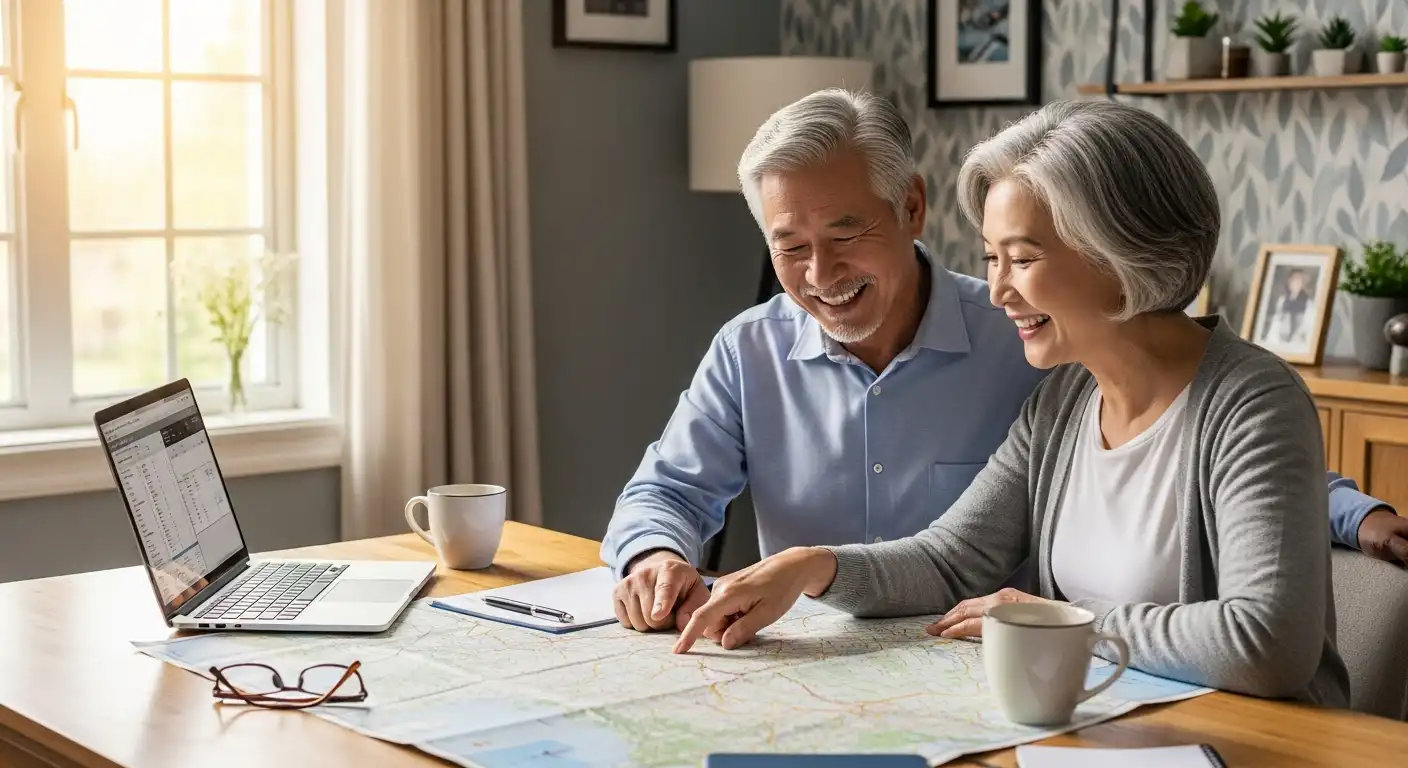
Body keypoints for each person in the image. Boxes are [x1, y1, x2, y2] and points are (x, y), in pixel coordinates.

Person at [601, 88, 1401, 636]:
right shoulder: (753, 349)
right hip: (948, 680)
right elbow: (951, 554)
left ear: (910, 207)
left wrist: (1349, 510)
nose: (820, 274)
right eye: (790, 247)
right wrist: (684, 558)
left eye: (844, 235)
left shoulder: (1042, 347)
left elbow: (1216, 442)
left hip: (1048, 680)